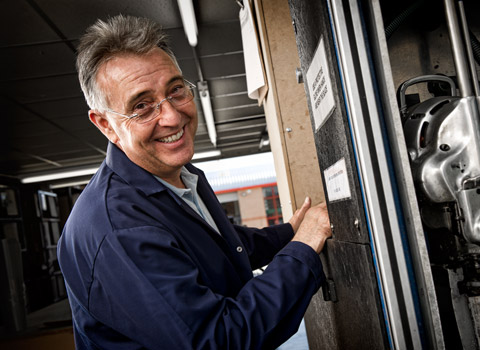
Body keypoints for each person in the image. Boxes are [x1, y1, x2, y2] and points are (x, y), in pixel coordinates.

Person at [58, 14, 332, 350]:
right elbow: (218, 340)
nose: (172, 117)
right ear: (106, 125)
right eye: (142, 106)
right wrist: (302, 250)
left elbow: (219, 245)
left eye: (175, 90)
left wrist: (289, 232)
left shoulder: (177, 176)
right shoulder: (120, 228)